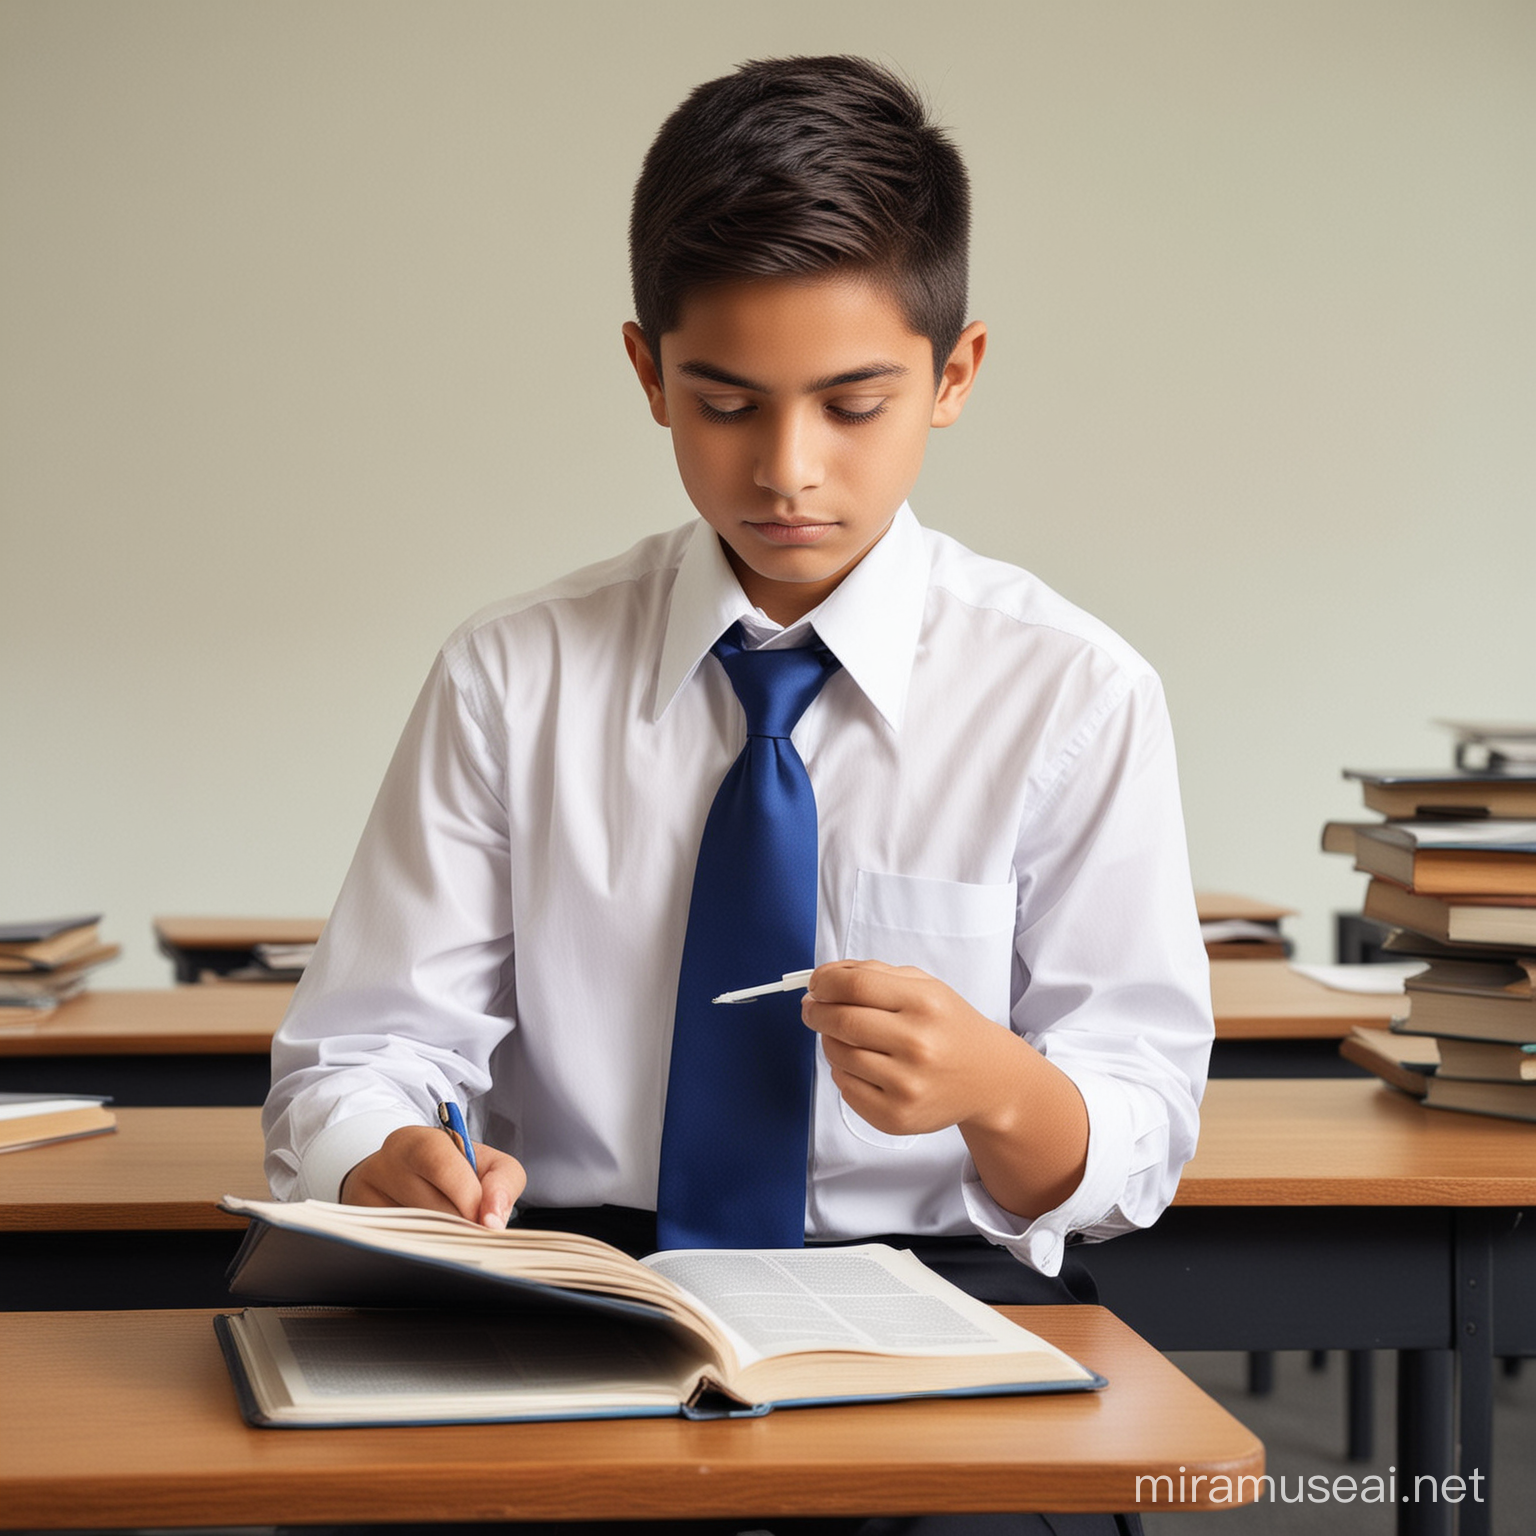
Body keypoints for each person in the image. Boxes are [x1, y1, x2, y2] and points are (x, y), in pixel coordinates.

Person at [265, 54, 1211, 1536]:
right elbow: (358, 1051)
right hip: (577, 1288)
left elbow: (1140, 1119)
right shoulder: (511, 677)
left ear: (953, 377)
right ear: (647, 372)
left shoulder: (1072, 695)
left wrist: (1004, 1090)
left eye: (853, 405)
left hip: (923, 1305)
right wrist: (385, 1156)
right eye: (725, 404)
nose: (787, 471)